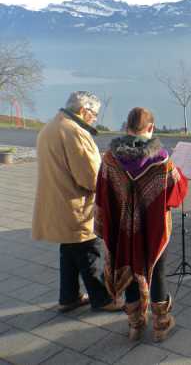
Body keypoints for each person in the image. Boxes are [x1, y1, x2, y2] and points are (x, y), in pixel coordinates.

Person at [94, 107, 188, 342]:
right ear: (151, 128)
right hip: (153, 229)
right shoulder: (161, 159)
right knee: (157, 272)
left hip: (122, 230)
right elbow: (176, 193)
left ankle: (135, 325)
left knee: (128, 269)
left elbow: (101, 194)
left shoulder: (110, 159)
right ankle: (161, 325)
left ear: (127, 127)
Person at [32, 91, 120, 313]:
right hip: (76, 206)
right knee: (90, 250)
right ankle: (103, 299)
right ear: (83, 110)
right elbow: (90, 178)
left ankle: (69, 297)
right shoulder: (74, 132)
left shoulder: (50, 127)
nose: (95, 119)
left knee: (69, 250)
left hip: (56, 202)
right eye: (94, 114)